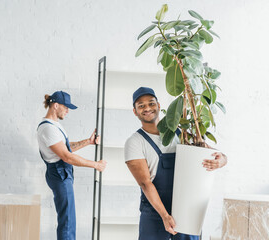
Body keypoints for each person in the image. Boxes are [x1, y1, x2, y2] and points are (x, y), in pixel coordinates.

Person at [124, 87, 227, 240]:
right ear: (135, 111)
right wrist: (165, 216)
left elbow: (211, 152)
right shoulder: (135, 142)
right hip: (154, 213)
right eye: (141, 105)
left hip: (186, 208)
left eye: (151, 103)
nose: (147, 108)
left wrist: (222, 160)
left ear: (159, 106)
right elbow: (145, 183)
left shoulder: (182, 133)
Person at [37, 90, 107, 240]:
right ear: (56, 105)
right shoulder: (48, 128)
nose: (68, 110)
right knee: (67, 221)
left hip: (61, 172)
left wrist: (88, 142)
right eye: (66, 107)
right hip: (59, 172)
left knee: (68, 219)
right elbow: (67, 156)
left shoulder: (54, 126)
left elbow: (66, 148)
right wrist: (95, 165)